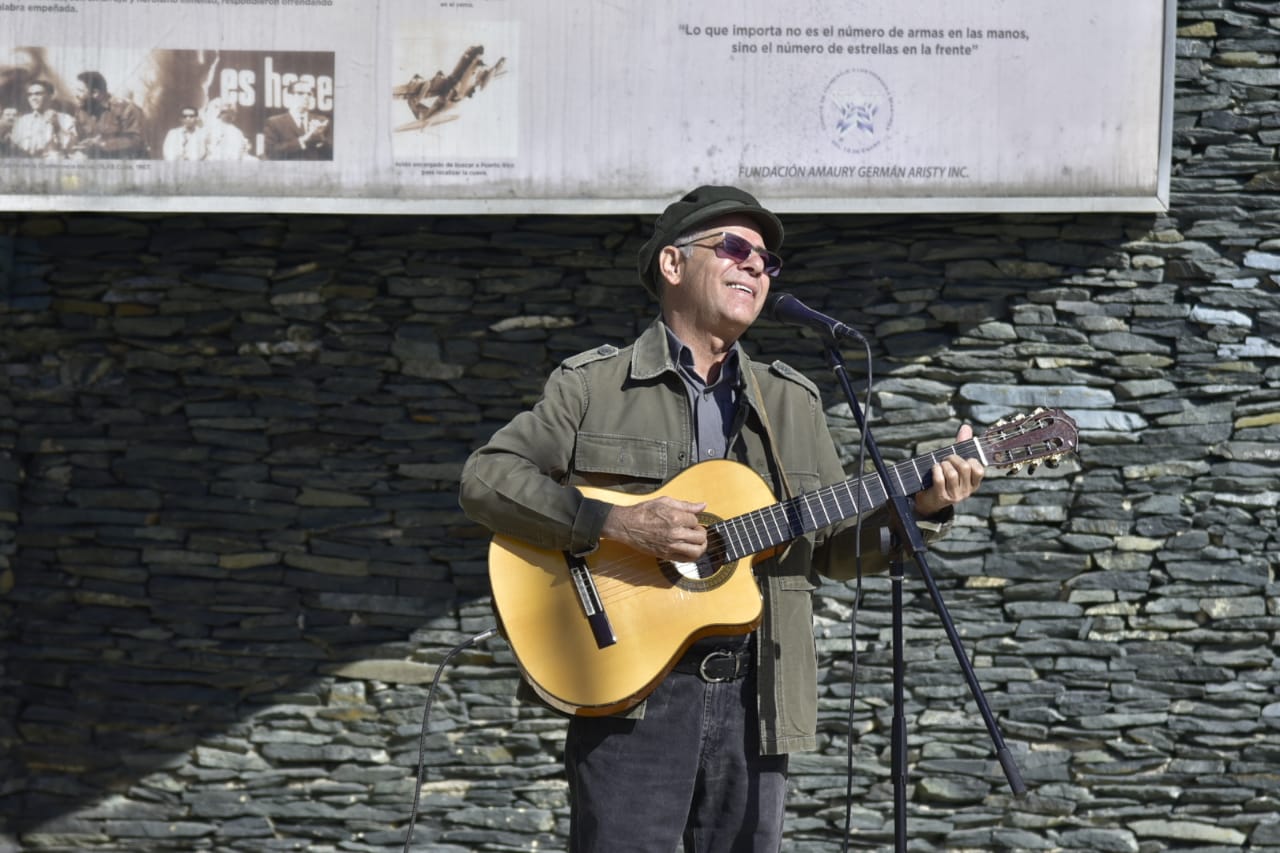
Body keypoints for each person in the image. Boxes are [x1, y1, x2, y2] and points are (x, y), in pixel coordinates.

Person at [458, 185, 986, 852]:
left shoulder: (791, 401)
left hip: (757, 696)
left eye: (768, 259)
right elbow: (486, 479)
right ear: (672, 264)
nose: (756, 265)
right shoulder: (594, 385)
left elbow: (831, 548)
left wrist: (922, 507)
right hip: (633, 693)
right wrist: (616, 524)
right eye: (735, 247)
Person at [70, 70, 148, 160]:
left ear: (95, 93)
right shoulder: (81, 112)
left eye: (79, 91)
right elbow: (78, 140)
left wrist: (101, 144)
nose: (75, 95)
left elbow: (137, 141)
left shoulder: (126, 108)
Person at [263, 80, 330, 160]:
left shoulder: (322, 121)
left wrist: (320, 136)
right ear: (288, 97)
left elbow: (333, 154)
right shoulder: (274, 122)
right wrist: (303, 140)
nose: (306, 97)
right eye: (300, 93)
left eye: (309, 94)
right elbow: (271, 153)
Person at [10, 79, 77, 159]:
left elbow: (71, 148)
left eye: (38, 94)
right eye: (30, 95)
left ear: (50, 96)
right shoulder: (22, 121)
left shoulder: (65, 119)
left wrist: (57, 126)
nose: (33, 98)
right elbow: (14, 148)